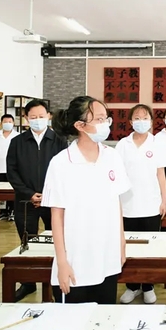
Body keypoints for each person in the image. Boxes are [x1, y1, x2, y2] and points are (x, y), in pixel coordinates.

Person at [41, 96, 130, 304]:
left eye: (106, 118)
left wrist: (121, 242)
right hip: (76, 259)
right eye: (99, 119)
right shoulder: (61, 163)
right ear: (80, 125)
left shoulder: (112, 157)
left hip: (107, 255)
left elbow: (116, 203)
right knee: (73, 320)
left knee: (103, 316)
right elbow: (57, 216)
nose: (105, 124)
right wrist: (62, 262)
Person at [7, 99, 68, 302]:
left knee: (56, 240)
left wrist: (48, 195)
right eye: (33, 117)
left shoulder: (59, 140)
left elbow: (65, 172)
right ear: (26, 118)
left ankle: (56, 281)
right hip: (26, 202)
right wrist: (29, 194)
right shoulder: (17, 142)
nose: (37, 120)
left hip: (54, 202)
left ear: (49, 116)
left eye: (41, 116)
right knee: (27, 242)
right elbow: (12, 172)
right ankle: (28, 283)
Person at [116, 104, 166, 305]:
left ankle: (148, 286)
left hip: (151, 204)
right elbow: (117, 176)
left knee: (150, 247)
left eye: (145, 117)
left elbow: (160, 173)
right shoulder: (123, 144)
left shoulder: (157, 143)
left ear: (151, 121)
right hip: (127, 205)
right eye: (136, 118)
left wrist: (164, 200)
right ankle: (132, 286)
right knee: (129, 247)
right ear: (130, 121)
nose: (141, 121)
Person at [0, 114, 19, 221]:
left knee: (12, 191)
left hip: (13, 169)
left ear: (13, 123)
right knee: (0, 192)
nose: (7, 124)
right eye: (5, 122)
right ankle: (2, 212)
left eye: (10, 122)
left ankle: (12, 211)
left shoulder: (17, 136)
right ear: (1, 123)